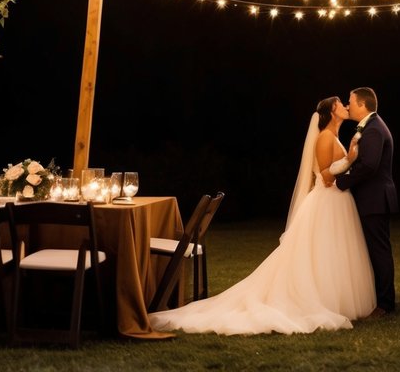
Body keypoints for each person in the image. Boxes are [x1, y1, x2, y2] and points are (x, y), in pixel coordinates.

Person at [149, 97, 375, 335]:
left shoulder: (334, 136)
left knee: (333, 253)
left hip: (337, 203)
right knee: (321, 254)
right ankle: (322, 299)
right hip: (327, 202)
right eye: (340, 103)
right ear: (332, 111)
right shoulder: (325, 137)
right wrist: (349, 159)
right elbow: (327, 177)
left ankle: (336, 298)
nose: (345, 105)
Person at [322, 86, 397, 316]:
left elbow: (369, 166)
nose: (348, 105)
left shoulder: (373, 130)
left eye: (351, 102)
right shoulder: (372, 126)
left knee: (379, 251)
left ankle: (385, 304)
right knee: (376, 250)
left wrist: (343, 182)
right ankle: (382, 298)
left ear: (362, 105)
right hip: (374, 198)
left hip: (374, 199)